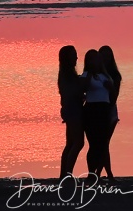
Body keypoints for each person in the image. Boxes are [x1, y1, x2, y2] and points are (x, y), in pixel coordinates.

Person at [81, 49, 114, 178]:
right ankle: (91, 173)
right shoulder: (85, 75)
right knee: (93, 143)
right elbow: (83, 88)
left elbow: (112, 93)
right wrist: (89, 76)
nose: (94, 62)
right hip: (91, 111)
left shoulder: (105, 76)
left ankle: (100, 172)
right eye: (91, 59)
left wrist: (109, 86)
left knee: (103, 143)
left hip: (104, 110)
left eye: (96, 59)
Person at [58, 45, 86, 178]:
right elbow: (72, 92)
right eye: (73, 55)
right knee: (78, 142)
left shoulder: (67, 73)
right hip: (73, 109)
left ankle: (64, 174)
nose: (76, 57)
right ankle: (67, 174)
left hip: (70, 109)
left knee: (70, 143)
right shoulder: (67, 74)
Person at [98, 45, 122, 182]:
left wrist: (110, 88)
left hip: (110, 111)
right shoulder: (97, 74)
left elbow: (114, 98)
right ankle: (104, 172)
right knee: (101, 143)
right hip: (98, 111)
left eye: (107, 56)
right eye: (102, 56)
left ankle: (105, 172)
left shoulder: (115, 75)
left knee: (104, 143)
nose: (105, 59)